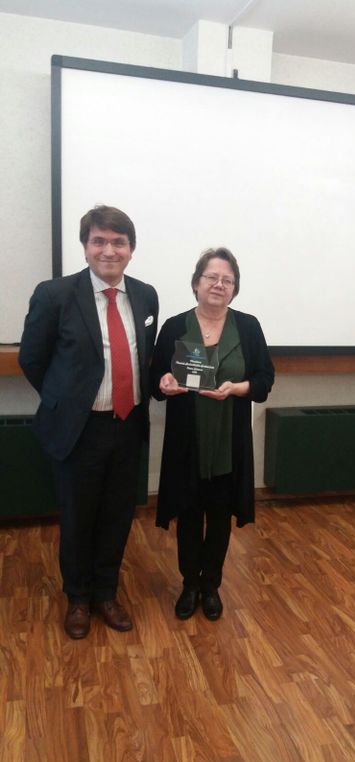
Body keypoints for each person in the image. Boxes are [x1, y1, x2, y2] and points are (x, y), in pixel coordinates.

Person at [19, 205, 158, 639]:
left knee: (117, 517)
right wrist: (66, 402)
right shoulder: (55, 295)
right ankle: (78, 598)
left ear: (131, 249)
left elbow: (144, 355)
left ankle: (106, 593)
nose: (109, 250)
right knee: (78, 519)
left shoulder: (146, 296)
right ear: (85, 247)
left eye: (118, 242)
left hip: (128, 426)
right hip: (80, 430)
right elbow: (32, 359)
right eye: (99, 241)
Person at [151, 247, 274, 621]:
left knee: (219, 515)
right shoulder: (175, 326)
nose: (219, 284)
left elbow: (264, 379)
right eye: (212, 277)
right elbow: (154, 380)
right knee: (189, 514)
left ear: (234, 288)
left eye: (227, 280)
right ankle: (189, 584)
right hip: (187, 441)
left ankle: (211, 586)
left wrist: (237, 388)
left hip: (228, 440)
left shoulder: (248, 327)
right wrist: (165, 380)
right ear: (196, 283)